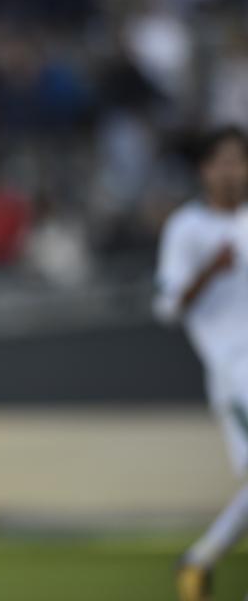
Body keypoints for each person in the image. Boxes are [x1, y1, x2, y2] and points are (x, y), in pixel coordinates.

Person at [154, 126, 248, 601]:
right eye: (222, 161)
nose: (232, 171)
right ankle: (200, 560)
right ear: (204, 169)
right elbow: (167, 306)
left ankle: (199, 561)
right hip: (237, 373)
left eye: (239, 160)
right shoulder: (188, 228)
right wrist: (209, 272)